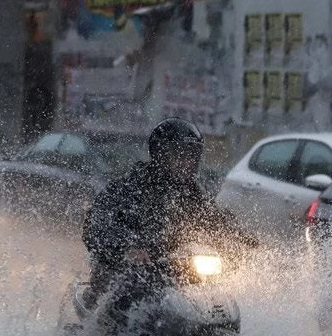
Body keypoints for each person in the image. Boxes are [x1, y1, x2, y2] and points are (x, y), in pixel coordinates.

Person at [82, 118, 255, 306]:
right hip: (126, 271)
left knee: (208, 294)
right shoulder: (128, 187)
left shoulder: (193, 193)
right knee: (117, 293)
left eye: (191, 156)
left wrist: (241, 239)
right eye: (178, 155)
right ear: (160, 155)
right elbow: (96, 223)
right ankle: (99, 329)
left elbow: (215, 219)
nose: (186, 161)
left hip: (172, 273)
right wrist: (127, 247)